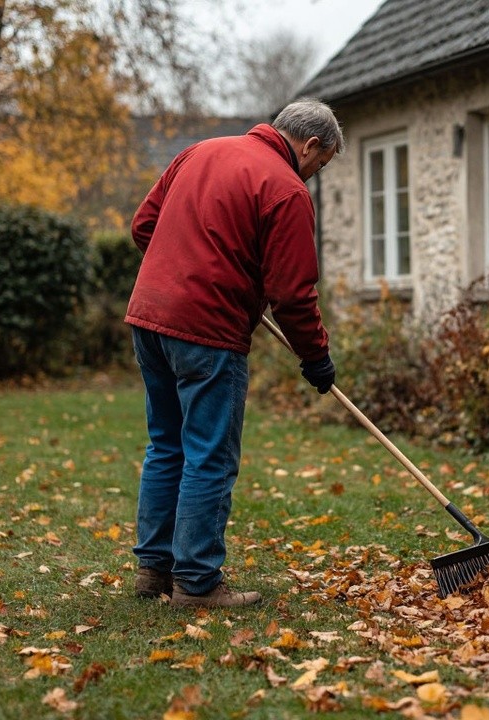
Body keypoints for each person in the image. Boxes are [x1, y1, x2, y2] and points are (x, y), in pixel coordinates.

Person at [125, 98, 344, 608]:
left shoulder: (199, 151)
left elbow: (143, 227)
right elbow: (293, 292)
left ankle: (153, 572)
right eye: (321, 164)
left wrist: (188, 269)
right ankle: (197, 583)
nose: (314, 175)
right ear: (309, 145)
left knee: (167, 444)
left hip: (149, 319)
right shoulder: (285, 189)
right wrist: (316, 357)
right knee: (209, 455)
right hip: (206, 331)